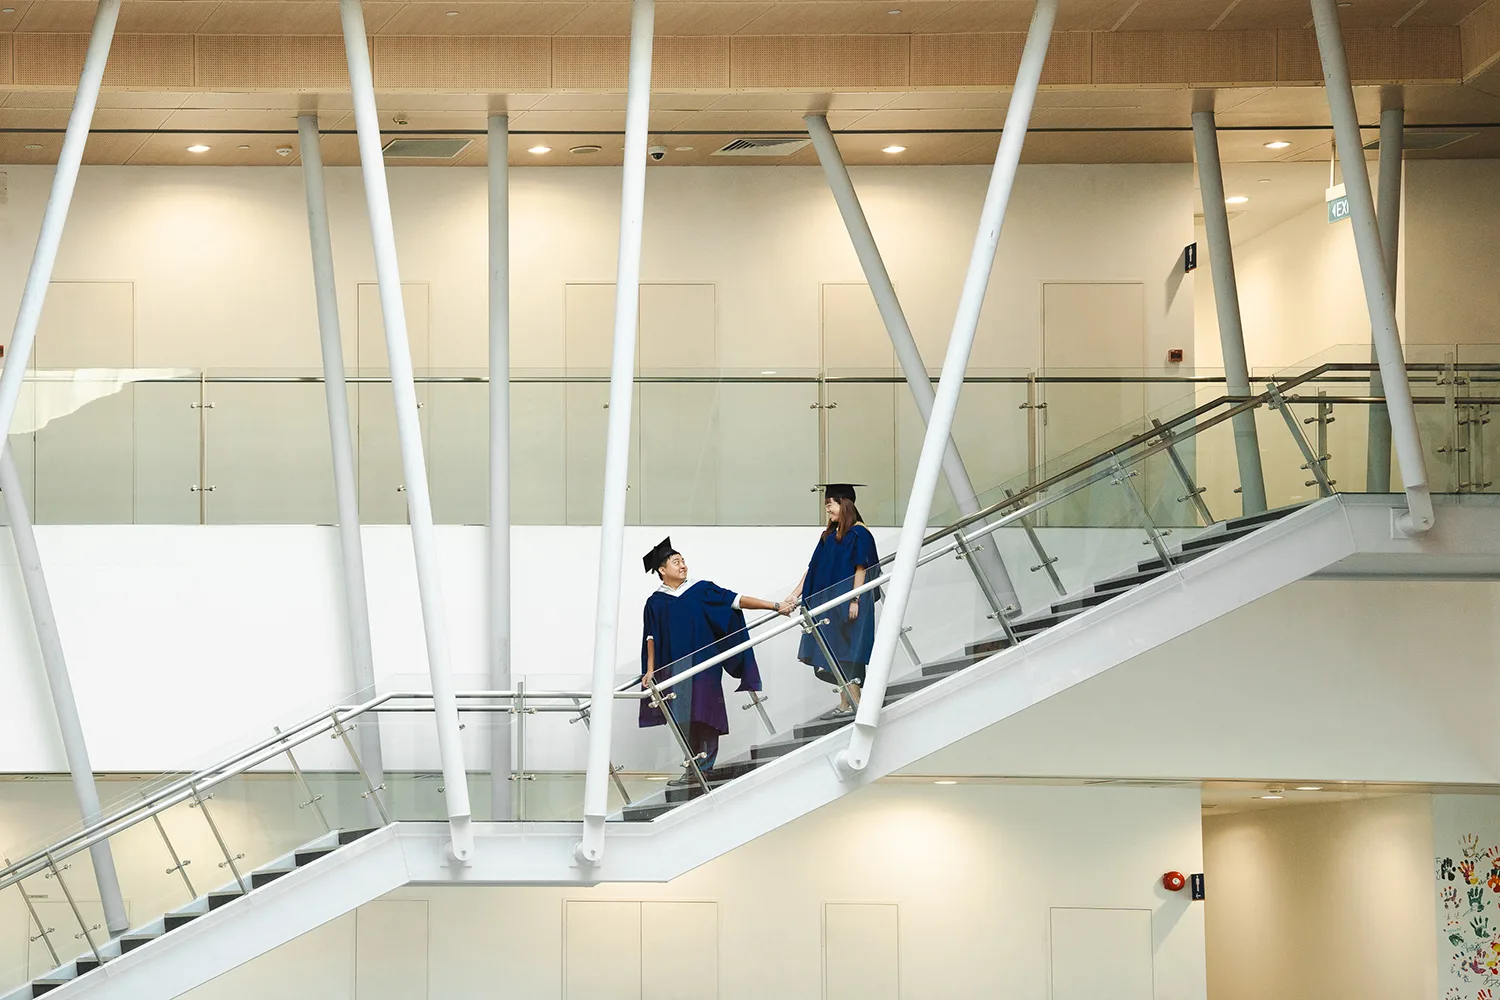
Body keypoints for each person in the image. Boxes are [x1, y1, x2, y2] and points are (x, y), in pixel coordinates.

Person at [640, 537, 792, 786]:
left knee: (706, 712)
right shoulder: (655, 602)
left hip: (703, 666)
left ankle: (705, 766)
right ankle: (692, 768)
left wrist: (775, 606)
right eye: (676, 562)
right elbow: (651, 637)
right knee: (683, 718)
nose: (683, 565)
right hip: (674, 669)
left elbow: (737, 599)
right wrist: (649, 670)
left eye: (683, 561)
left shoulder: (701, 590)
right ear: (661, 570)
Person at [784, 484, 880, 721]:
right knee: (833, 651)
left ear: (845, 504)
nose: (828, 510)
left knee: (847, 651)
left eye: (831, 504)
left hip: (848, 602)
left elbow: (862, 567)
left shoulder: (860, 534)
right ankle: (848, 704)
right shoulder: (828, 536)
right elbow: (812, 569)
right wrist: (794, 595)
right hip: (827, 602)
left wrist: (854, 599)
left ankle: (854, 704)